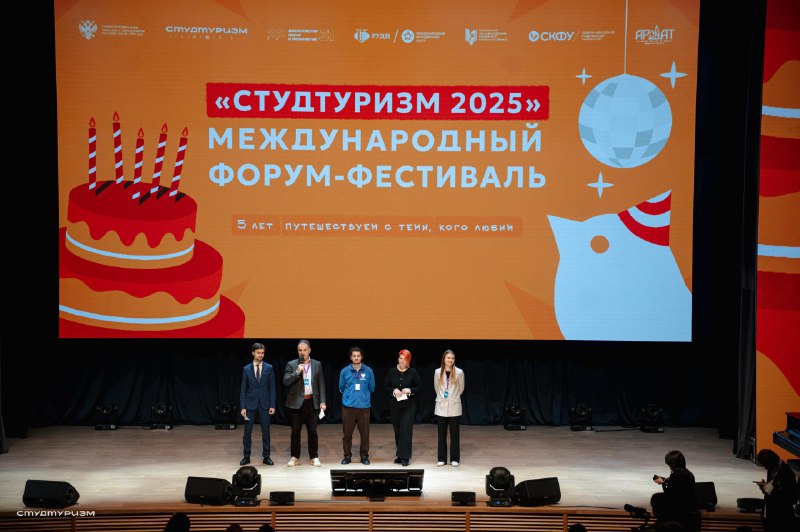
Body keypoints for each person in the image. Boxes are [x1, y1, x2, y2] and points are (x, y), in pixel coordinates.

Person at [283, 339, 326, 467]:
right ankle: (295, 457)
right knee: (295, 431)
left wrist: (323, 401)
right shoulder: (292, 364)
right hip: (296, 403)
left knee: (312, 431)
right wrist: (297, 371)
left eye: (305, 350)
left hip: (312, 402)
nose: (302, 353)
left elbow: (321, 384)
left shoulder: (317, 364)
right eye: (300, 350)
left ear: (309, 350)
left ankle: (314, 457)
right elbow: (286, 381)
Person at [239, 342, 276, 466]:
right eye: (258, 353)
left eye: (262, 353)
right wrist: (243, 407)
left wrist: (272, 405)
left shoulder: (269, 368)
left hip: (265, 404)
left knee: (266, 431)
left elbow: (272, 388)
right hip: (250, 405)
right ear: (253, 353)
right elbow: (243, 390)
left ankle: (266, 456)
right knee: (247, 432)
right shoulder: (246, 369)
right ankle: (246, 456)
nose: (261, 355)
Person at [338, 346, 375, 465]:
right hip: (348, 408)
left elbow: (372, 387)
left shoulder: (368, 371)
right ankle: (347, 456)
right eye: (354, 356)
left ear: (362, 357)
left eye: (358, 356)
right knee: (347, 434)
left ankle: (364, 456)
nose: (356, 358)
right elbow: (341, 387)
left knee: (365, 434)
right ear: (350, 357)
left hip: (364, 408)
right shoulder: (345, 371)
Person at [385, 348, 420, 466]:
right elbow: (386, 386)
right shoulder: (392, 371)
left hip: (409, 405)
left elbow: (419, 387)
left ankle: (405, 457)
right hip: (395, 405)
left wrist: (410, 390)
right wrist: (393, 391)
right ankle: (400, 455)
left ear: (408, 361)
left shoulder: (412, 372)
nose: (402, 361)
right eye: (400, 358)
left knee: (406, 430)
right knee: (398, 430)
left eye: (404, 359)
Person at [755, 448, 799, 532]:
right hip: (768, 515)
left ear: (772, 463)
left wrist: (770, 489)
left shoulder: (787, 474)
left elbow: (791, 499)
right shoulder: (771, 468)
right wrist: (764, 488)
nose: (765, 468)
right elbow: (771, 491)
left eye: (766, 466)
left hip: (781, 519)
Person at [434, 349, 464, 467]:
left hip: (454, 406)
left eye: (452, 358)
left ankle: (454, 459)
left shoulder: (459, 372)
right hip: (441, 406)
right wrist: (443, 397)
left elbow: (461, 388)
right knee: (441, 435)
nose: (450, 360)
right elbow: (437, 387)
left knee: (454, 435)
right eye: (448, 358)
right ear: (444, 359)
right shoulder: (437, 372)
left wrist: (452, 397)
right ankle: (441, 458)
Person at [651, 450, 696, 530]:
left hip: (677, 506)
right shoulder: (689, 474)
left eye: (669, 464)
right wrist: (668, 481)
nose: (669, 467)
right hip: (687, 503)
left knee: (656, 498)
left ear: (673, 464)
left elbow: (669, 495)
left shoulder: (675, 476)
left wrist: (663, 483)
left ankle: (662, 520)